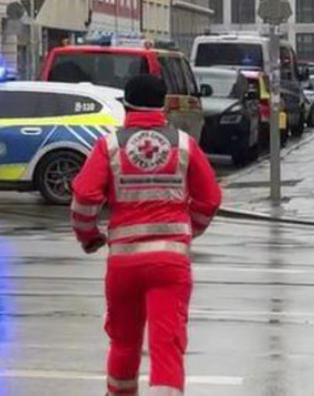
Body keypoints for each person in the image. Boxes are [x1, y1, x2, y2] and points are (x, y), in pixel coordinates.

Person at [70, 74, 222, 396]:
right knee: (167, 346)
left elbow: (84, 199)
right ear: (164, 105)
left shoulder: (109, 146)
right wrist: (186, 231)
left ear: (126, 105)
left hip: (124, 264)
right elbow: (210, 200)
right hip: (170, 264)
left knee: (124, 344)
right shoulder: (184, 144)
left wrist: (89, 237)